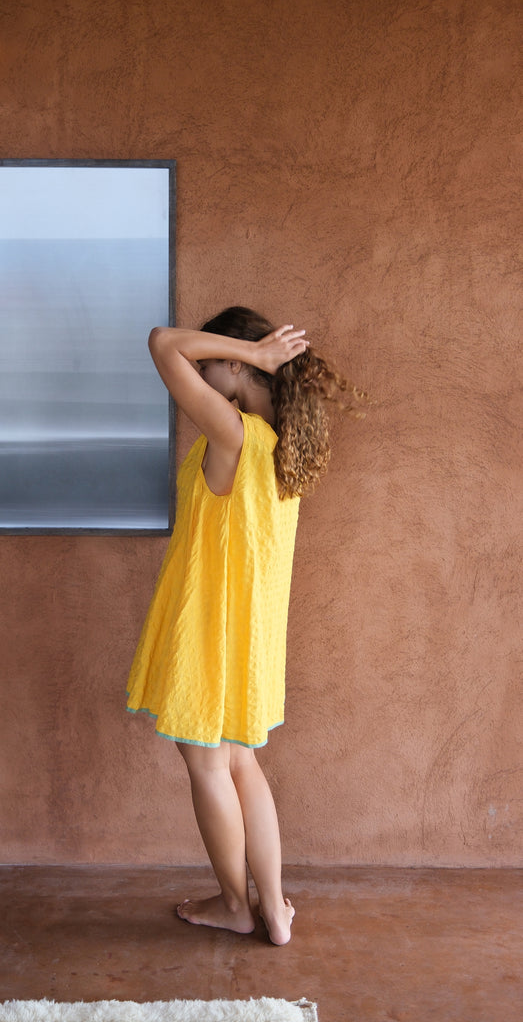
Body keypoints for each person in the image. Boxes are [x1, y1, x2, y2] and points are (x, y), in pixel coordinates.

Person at [126, 306, 365, 945]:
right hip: (251, 636)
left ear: (238, 361)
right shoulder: (282, 444)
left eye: (215, 364)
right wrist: (248, 356)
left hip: (209, 627)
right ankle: (276, 910)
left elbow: (161, 344)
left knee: (208, 766)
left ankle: (237, 905)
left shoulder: (233, 433)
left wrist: (252, 353)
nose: (201, 374)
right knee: (242, 764)